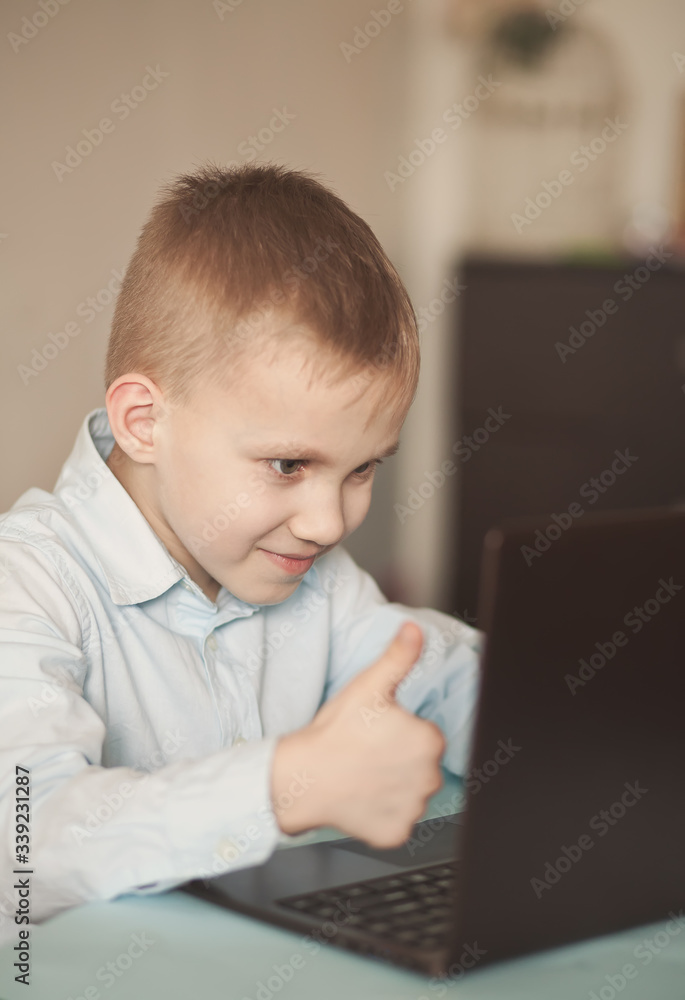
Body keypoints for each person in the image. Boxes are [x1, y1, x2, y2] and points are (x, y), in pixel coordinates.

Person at [0, 163, 481, 937]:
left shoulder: (308, 574)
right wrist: (285, 786)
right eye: (289, 465)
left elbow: (440, 676)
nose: (329, 524)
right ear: (145, 422)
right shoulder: (26, 586)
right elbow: (27, 851)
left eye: (361, 469)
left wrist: (569, 715)